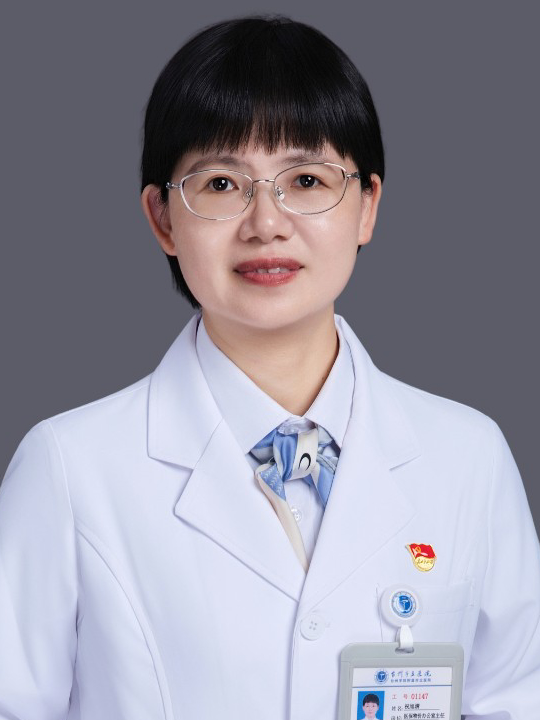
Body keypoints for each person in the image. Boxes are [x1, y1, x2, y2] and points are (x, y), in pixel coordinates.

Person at [0, 14, 539, 720]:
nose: (266, 223)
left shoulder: (468, 458)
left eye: (307, 179)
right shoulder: (69, 470)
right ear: (162, 218)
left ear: (367, 207)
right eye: (222, 184)